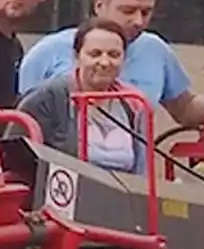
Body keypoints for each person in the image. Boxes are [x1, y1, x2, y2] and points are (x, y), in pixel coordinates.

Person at [15, 0, 204, 130]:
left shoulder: (155, 50)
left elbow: (184, 108)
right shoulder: (47, 54)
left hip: (134, 182)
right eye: (128, 11)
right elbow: (22, 124)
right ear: (99, 5)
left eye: (146, 12)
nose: (138, 21)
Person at [21, 23, 151, 173]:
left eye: (114, 55)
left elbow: (142, 172)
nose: (104, 62)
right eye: (95, 54)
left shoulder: (134, 102)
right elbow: (16, 154)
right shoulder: (49, 96)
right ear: (77, 56)